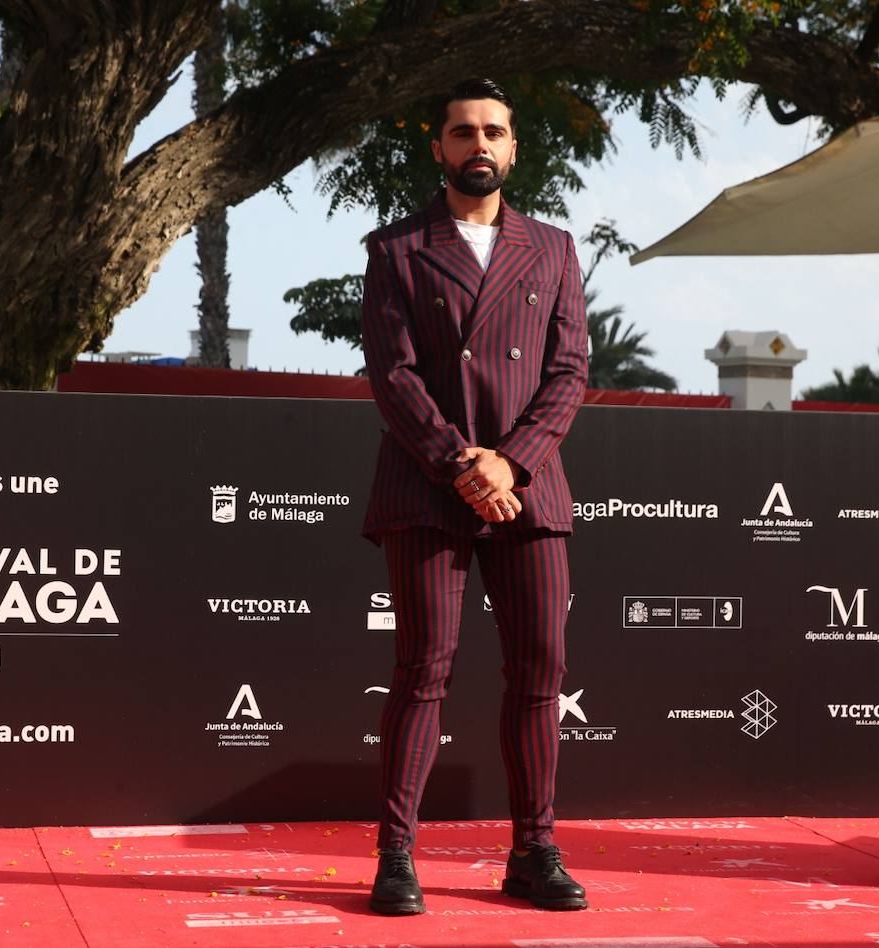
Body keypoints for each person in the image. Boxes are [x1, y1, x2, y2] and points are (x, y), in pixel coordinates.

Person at [359, 78, 590, 915]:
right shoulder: (396, 248)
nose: (479, 144)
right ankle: (397, 856)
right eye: (463, 132)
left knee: (541, 673)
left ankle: (534, 850)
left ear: (515, 147)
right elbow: (393, 376)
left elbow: (569, 373)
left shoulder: (555, 249)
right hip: (428, 487)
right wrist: (464, 463)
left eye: (494, 130)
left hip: (530, 492)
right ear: (439, 148)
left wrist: (513, 464)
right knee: (423, 670)